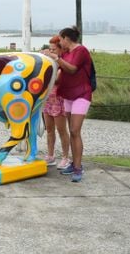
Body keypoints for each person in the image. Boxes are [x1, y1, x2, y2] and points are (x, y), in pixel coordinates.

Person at [44, 26, 92, 182]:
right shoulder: (65, 53)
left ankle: (78, 168)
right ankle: (74, 163)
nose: (60, 42)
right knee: (72, 132)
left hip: (81, 95)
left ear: (66, 38)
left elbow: (71, 69)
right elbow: (59, 75)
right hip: (68, 95)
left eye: (61, 39)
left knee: (74, 130)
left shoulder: (81, 51)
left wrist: (58, 59)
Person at [41, 35, 71, 169]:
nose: (51, 51)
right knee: (49, 129)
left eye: (54, 49)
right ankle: (50, 155)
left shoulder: (62, 63)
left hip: (58, 99)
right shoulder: (48, 62)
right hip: (48, 99)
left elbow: (57, 80)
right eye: (50, 49)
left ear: (60, 49)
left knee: (61, 130)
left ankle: (66, 157)